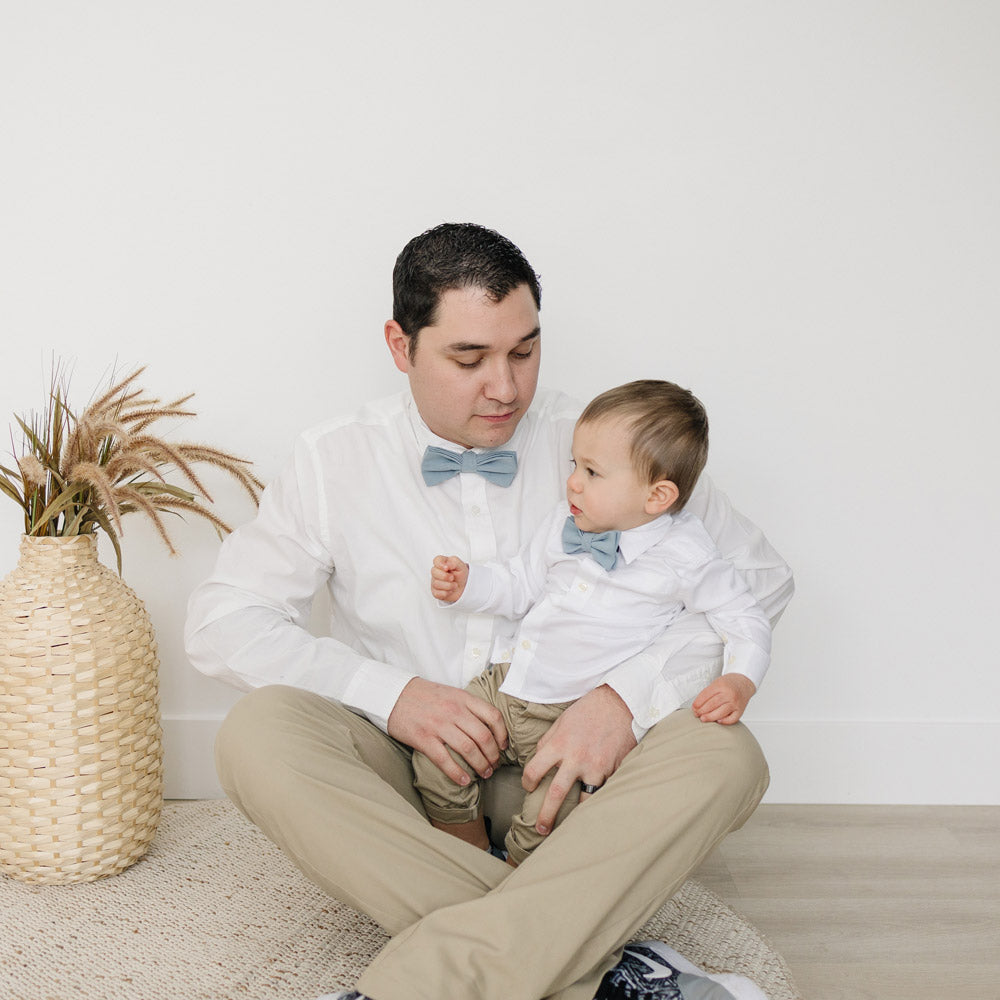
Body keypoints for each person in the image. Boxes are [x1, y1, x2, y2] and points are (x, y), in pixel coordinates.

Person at [184, 222, 794, 1000]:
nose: (505, 387)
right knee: (257, 735)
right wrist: (394, 696)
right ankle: (597, 966)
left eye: (525, 351)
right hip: (415, 782)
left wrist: (623, 699)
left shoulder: (620, 445)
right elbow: (222, 619)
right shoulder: (333, 459)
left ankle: (437, 975)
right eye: (469, 358)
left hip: (575, 781)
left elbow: (759, 584)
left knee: (727, 757)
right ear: (400, 346)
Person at [415, 379, 772, 867]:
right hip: (510, 682)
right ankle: (466, 851)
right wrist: (469, 584)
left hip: (574, 712)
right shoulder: (566, 522)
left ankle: (517, 883)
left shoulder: (686, 555)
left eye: (592, 471)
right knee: (438, 754)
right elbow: (520, 584)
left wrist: (740, 678)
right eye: (574, 466)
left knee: (550, 818)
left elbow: (744, 615)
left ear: (657, 496)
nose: (573, 483)